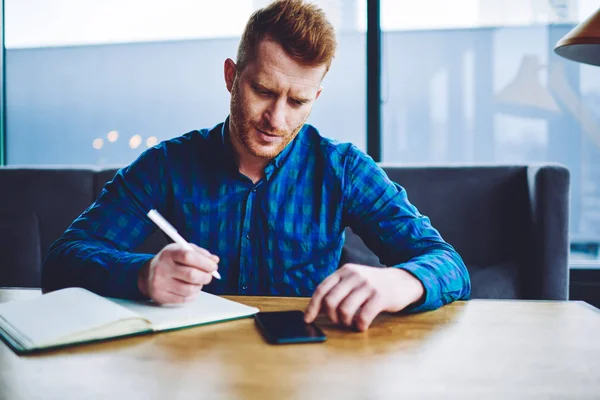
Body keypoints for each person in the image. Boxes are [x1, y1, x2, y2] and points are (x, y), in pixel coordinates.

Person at [42, 0, 470, 331]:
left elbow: (447, 264)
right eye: (264, 90)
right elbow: (62, 261)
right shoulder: (167, 165)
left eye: (298, 101)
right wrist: (143, 274)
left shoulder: (343, 169)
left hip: (310, 369)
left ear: (315, 99)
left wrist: (399, 283)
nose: (277, 119)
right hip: (195, 370)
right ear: (232, 76)